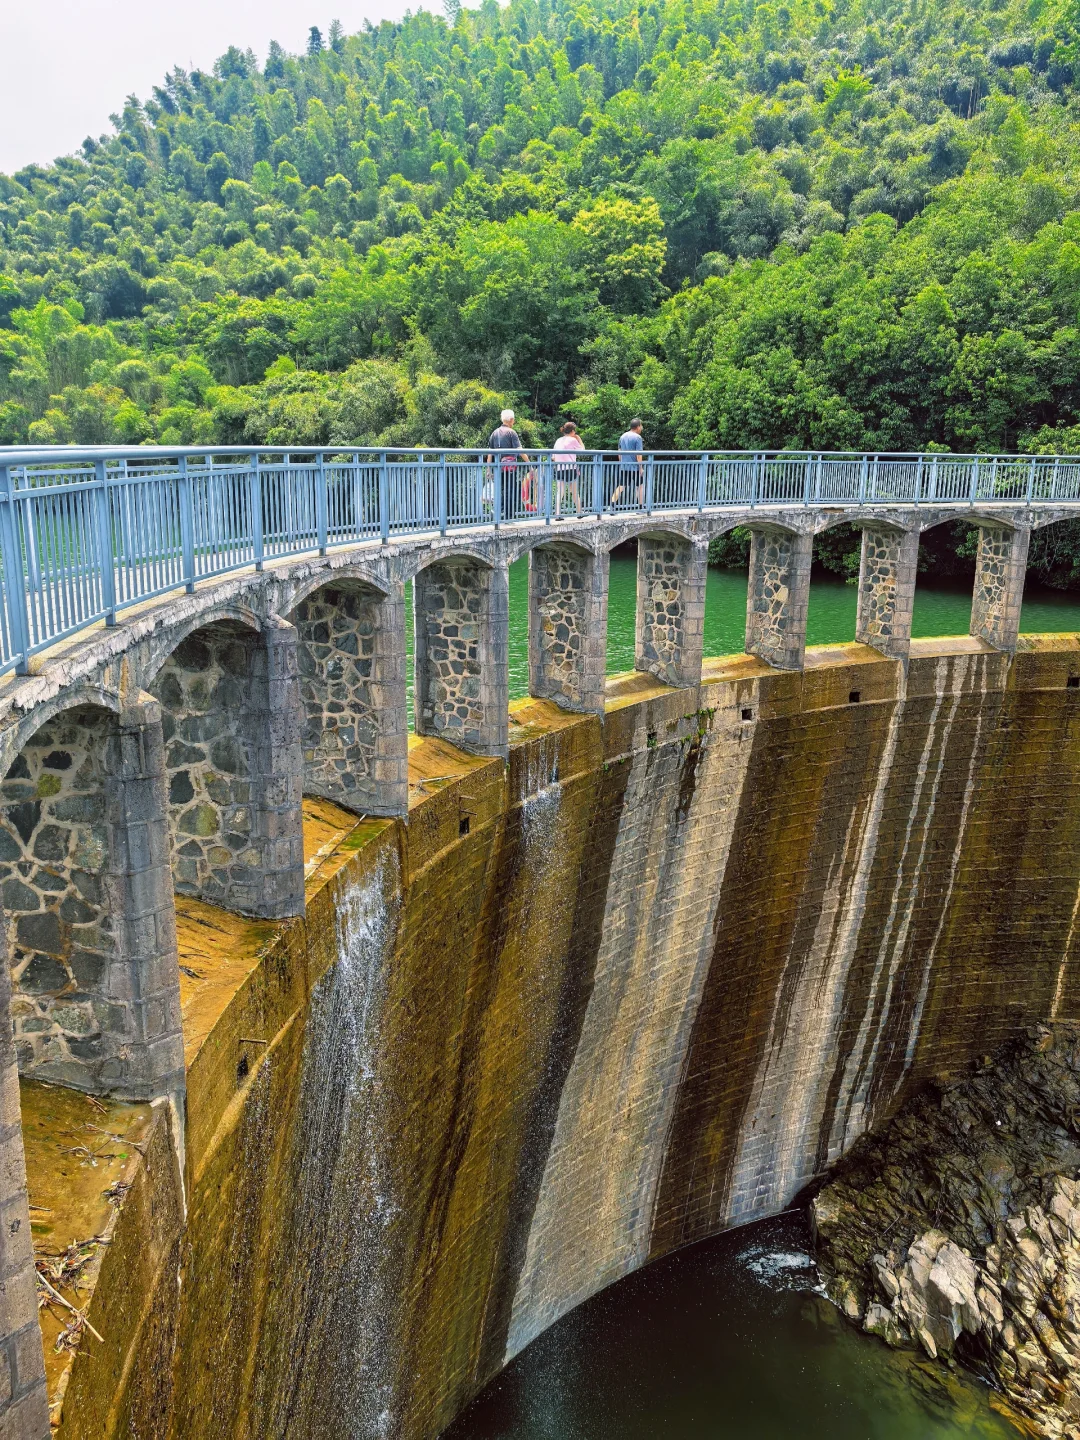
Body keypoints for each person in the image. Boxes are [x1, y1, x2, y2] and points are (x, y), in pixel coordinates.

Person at [486, 409, 531, 520]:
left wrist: (488, 469)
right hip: (509, 468)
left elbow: (490, 454)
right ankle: (505, 513)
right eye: (513, 420)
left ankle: (502, 512)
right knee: (510, 490)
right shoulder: (512, 432)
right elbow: (520, 450)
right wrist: (530, 464)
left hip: (498, 467)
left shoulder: (494, 433)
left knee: (502, 490)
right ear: (511, 420)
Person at [552, 420, 585, 517]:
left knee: (560, 492)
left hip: (559, 467)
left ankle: (557, 514)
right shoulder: (573, 440)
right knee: (574, 492)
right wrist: (579, 439)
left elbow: (553, 456)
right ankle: (579, 512)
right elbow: (582, 451)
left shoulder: (558, 440)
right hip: (570, 468)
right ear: (572, 431)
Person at [610, 418, 645, 509]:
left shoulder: (623, 436)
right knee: (640, 486)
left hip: (624, 466)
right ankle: (640, 507)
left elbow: (619, 452)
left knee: (621, 486)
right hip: (635, 467)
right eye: (641, 426)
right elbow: (639, 454)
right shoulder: (638, 438)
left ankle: (612, 504)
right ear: (638, 427)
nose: (641, 428)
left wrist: (621, 463)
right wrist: (640, 467)